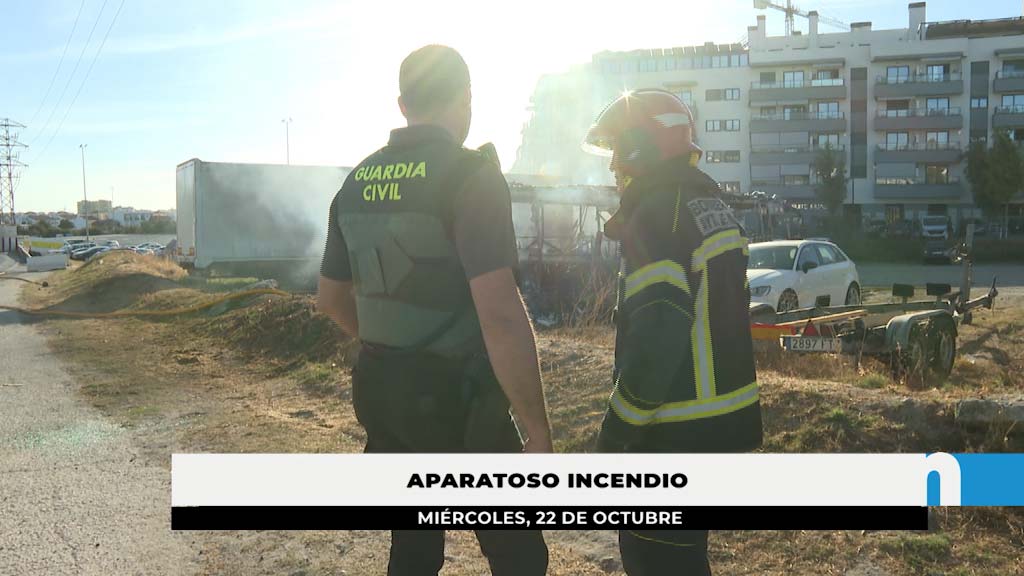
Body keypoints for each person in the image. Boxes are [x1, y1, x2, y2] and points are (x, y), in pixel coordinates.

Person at [316, 45, 551, 576]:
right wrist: (536, 429)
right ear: (467, 98)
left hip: (382, 393)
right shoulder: (469, 175)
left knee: (414, 547)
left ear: (402, 104)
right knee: (518, 557)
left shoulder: (354, 182)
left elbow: (329, 300)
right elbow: (501, 314)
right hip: (460, 399)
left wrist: (392, 342)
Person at [582, 89, 764, 575]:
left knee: (653, 559)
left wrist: (615, 434)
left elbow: (660, 329)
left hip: (673, 433)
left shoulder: (658, 213)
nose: (613, 168)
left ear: (643, 146)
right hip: (718, 423)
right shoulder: (703, 204)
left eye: (619, 153)